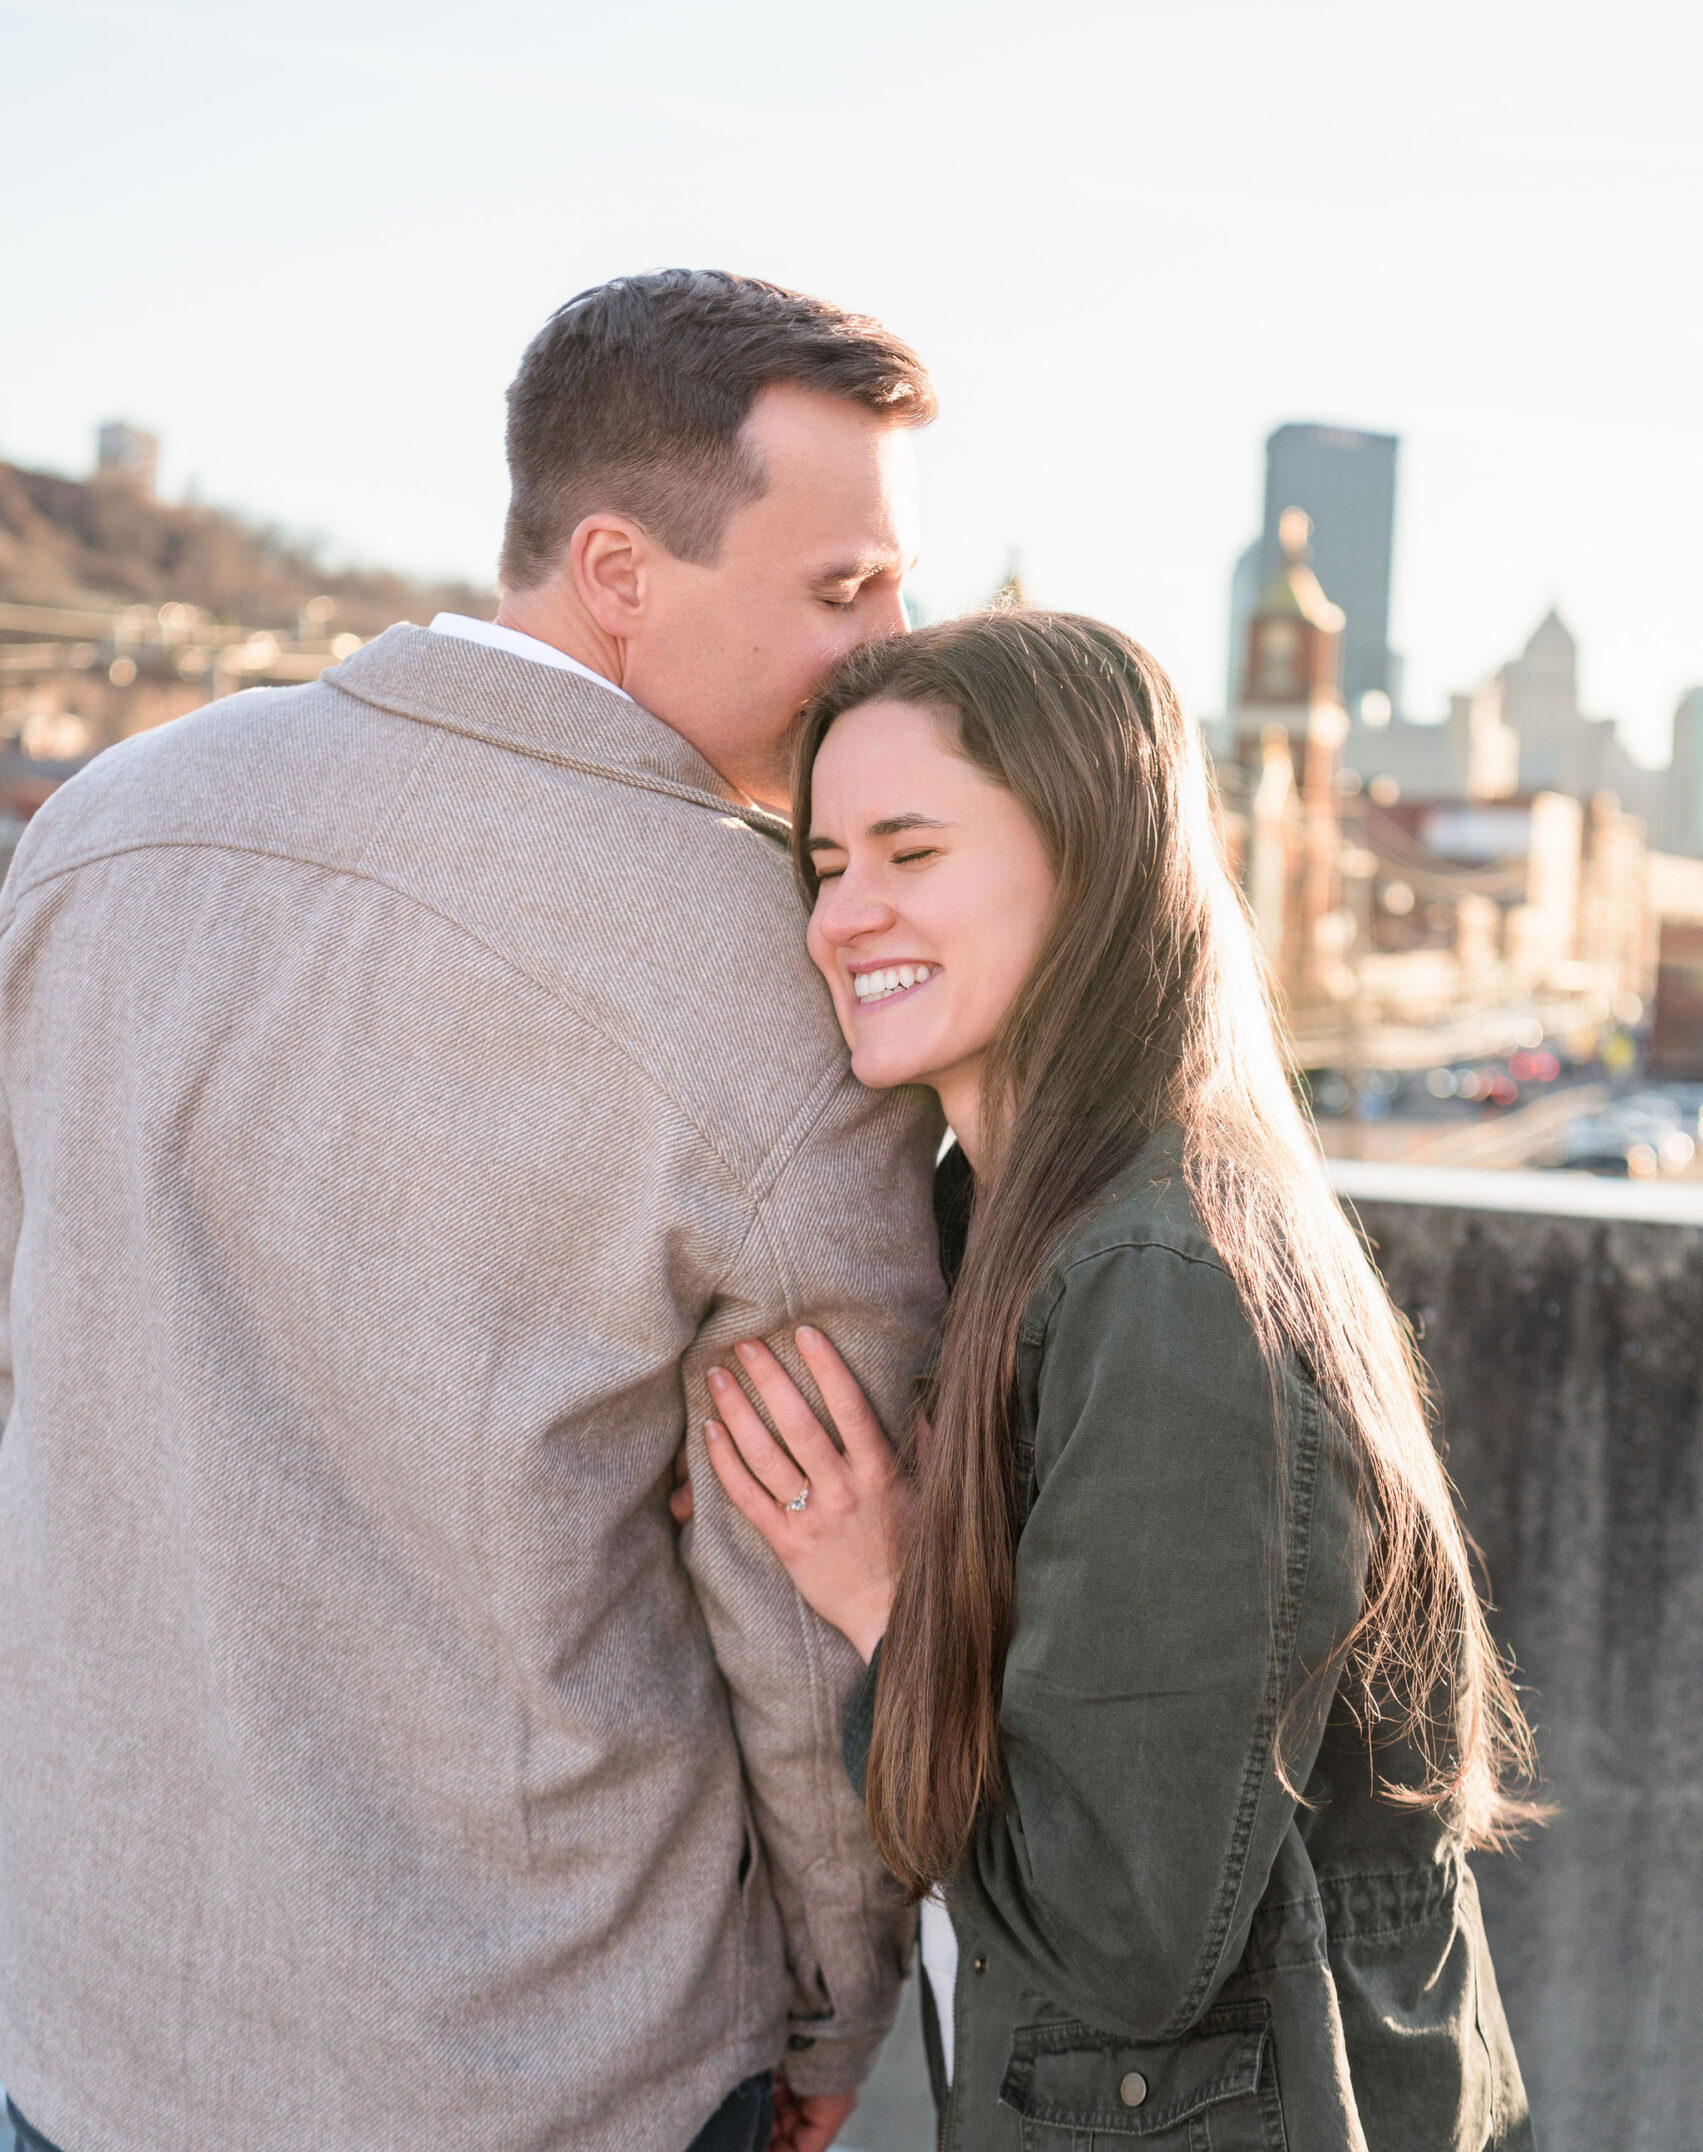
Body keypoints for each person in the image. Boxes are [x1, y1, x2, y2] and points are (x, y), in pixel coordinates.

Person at [0, 271, 947, 2152]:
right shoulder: (773, 990)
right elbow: (799, 1622)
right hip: (536, 2072)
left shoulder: (104, 828)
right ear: (618, 567)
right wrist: (836, 2017)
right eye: (844, 588)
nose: (891, 642)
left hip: (80, 2022)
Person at [700, 607, 1539, 2151]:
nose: (843, 917)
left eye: (913, 853)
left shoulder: (1167, 1284)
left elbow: (1121, 1935)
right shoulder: (1013, 1228)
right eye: (826, 868)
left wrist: (889, 1598)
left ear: (1090, 867)